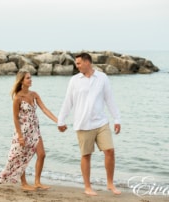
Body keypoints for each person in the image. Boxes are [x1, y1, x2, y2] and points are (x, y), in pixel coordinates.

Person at [57, 52, 121, 196]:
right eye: (76, 63)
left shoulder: (102, 78)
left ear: (87, 62)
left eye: (79, 63)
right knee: (86, 155)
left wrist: (117, 119)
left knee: (110, 151)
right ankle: (87, 186)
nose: (76, 66)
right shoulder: (74, 80)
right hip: (83, 123)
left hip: (101, 122)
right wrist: (61, 120)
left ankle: (110, 183)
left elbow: (109, 99)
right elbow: (68, 102)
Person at [0, 69, 58, 191]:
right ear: (21, 81)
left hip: (35, 130)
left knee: (42, 154)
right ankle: (24, 183)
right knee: (21, 157)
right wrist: (20, 136)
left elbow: (45, 109)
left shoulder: (34, 94)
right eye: (28, 78)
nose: (31, 80)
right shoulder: (18, 98)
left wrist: (58, 121)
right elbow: (15, 118)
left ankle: (37, 182)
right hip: (23, 132)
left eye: (30, 77)